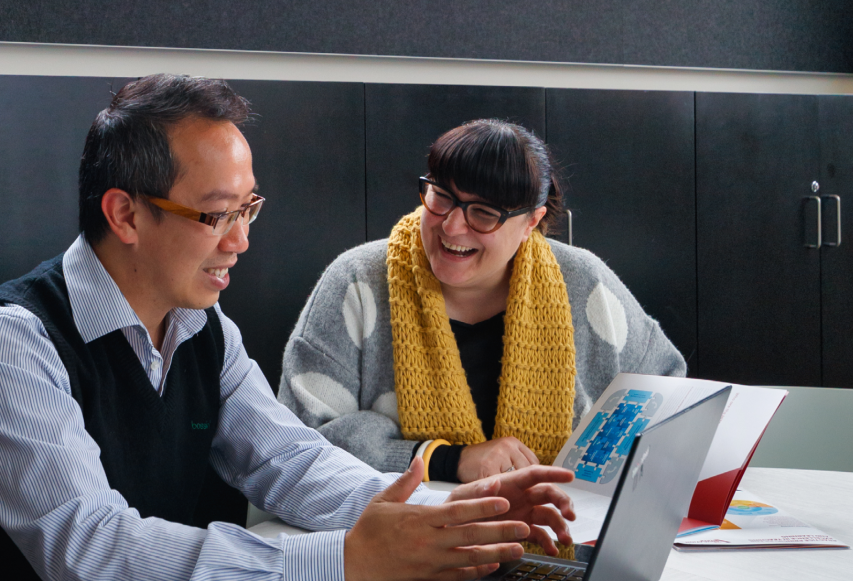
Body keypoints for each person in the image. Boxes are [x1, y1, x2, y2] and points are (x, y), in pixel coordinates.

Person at [0, 77, 577, 581]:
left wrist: (453, 516)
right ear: (124, 213)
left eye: (248, 208)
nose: (241, 240)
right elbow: (96, 552)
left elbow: (290, 461)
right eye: (216, 214)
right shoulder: (5, 343)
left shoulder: (201, 327)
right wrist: (347, 563)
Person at [278, 119, 685, 554]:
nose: (453, 227)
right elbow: (298, 444)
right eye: (441, 197)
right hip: (396, 558)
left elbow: (666, 393)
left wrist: (597, 471)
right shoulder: (357, 282)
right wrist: (450, 459)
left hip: (567, 553)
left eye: (484, 214)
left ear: (532, 220)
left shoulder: (584, 284)